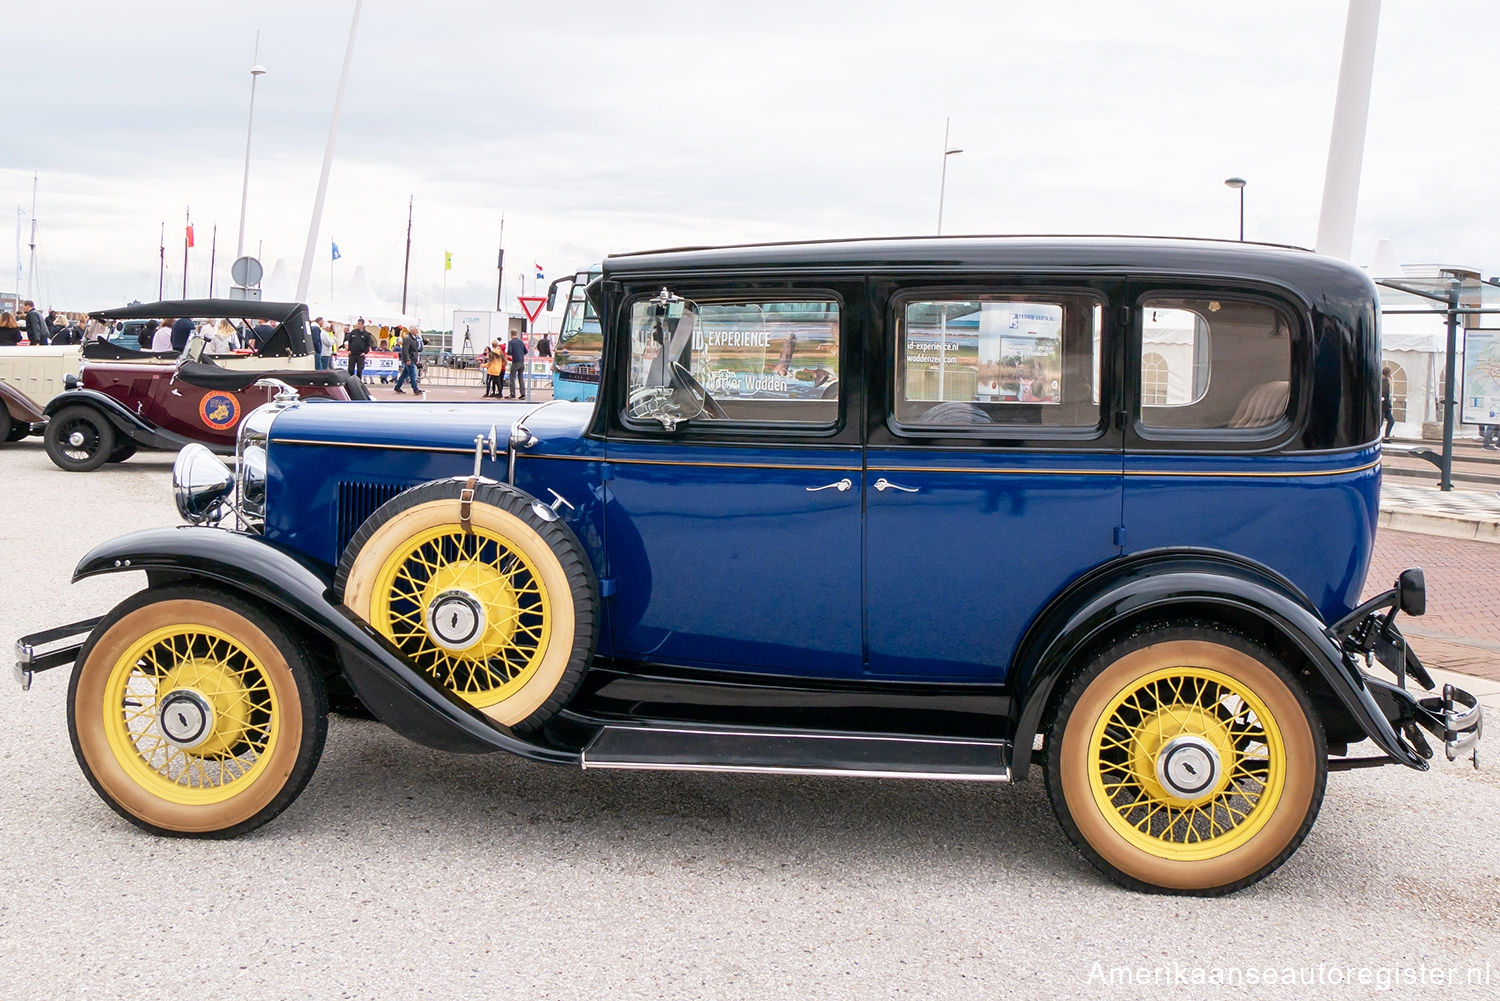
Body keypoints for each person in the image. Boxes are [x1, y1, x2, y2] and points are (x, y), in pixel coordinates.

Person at [393, 326, 424, 396]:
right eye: (416, 330)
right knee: (412, 374)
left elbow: (415, 350)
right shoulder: (407, 338)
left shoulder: (414, 338)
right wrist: (407, 359)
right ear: (411, 330)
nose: (417, 331)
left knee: (404, 374)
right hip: (409, 359)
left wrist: (416, 361)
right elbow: (405, 350)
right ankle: (415, 389)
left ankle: (397, 387)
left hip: (412, 359)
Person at [506, 330, 528, 399]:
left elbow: (509, 352)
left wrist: (510, 355)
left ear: (511, 334)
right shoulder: (521, 342)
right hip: (522, 362)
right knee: (521, 378)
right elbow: (526, 351)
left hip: (515, 362)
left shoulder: (511, 342)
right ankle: (523, 394)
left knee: (512, 377)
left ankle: (512, 394)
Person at [1380, 366, 1395, 442]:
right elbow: (1385, 394)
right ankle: (1386, 437)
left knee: (1381, 422)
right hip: (1384, 405)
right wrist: (1389, 405)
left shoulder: (1383, 381)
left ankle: (1385, 437)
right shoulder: (1385, 381)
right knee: (1390, 421)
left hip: (1383, 404)